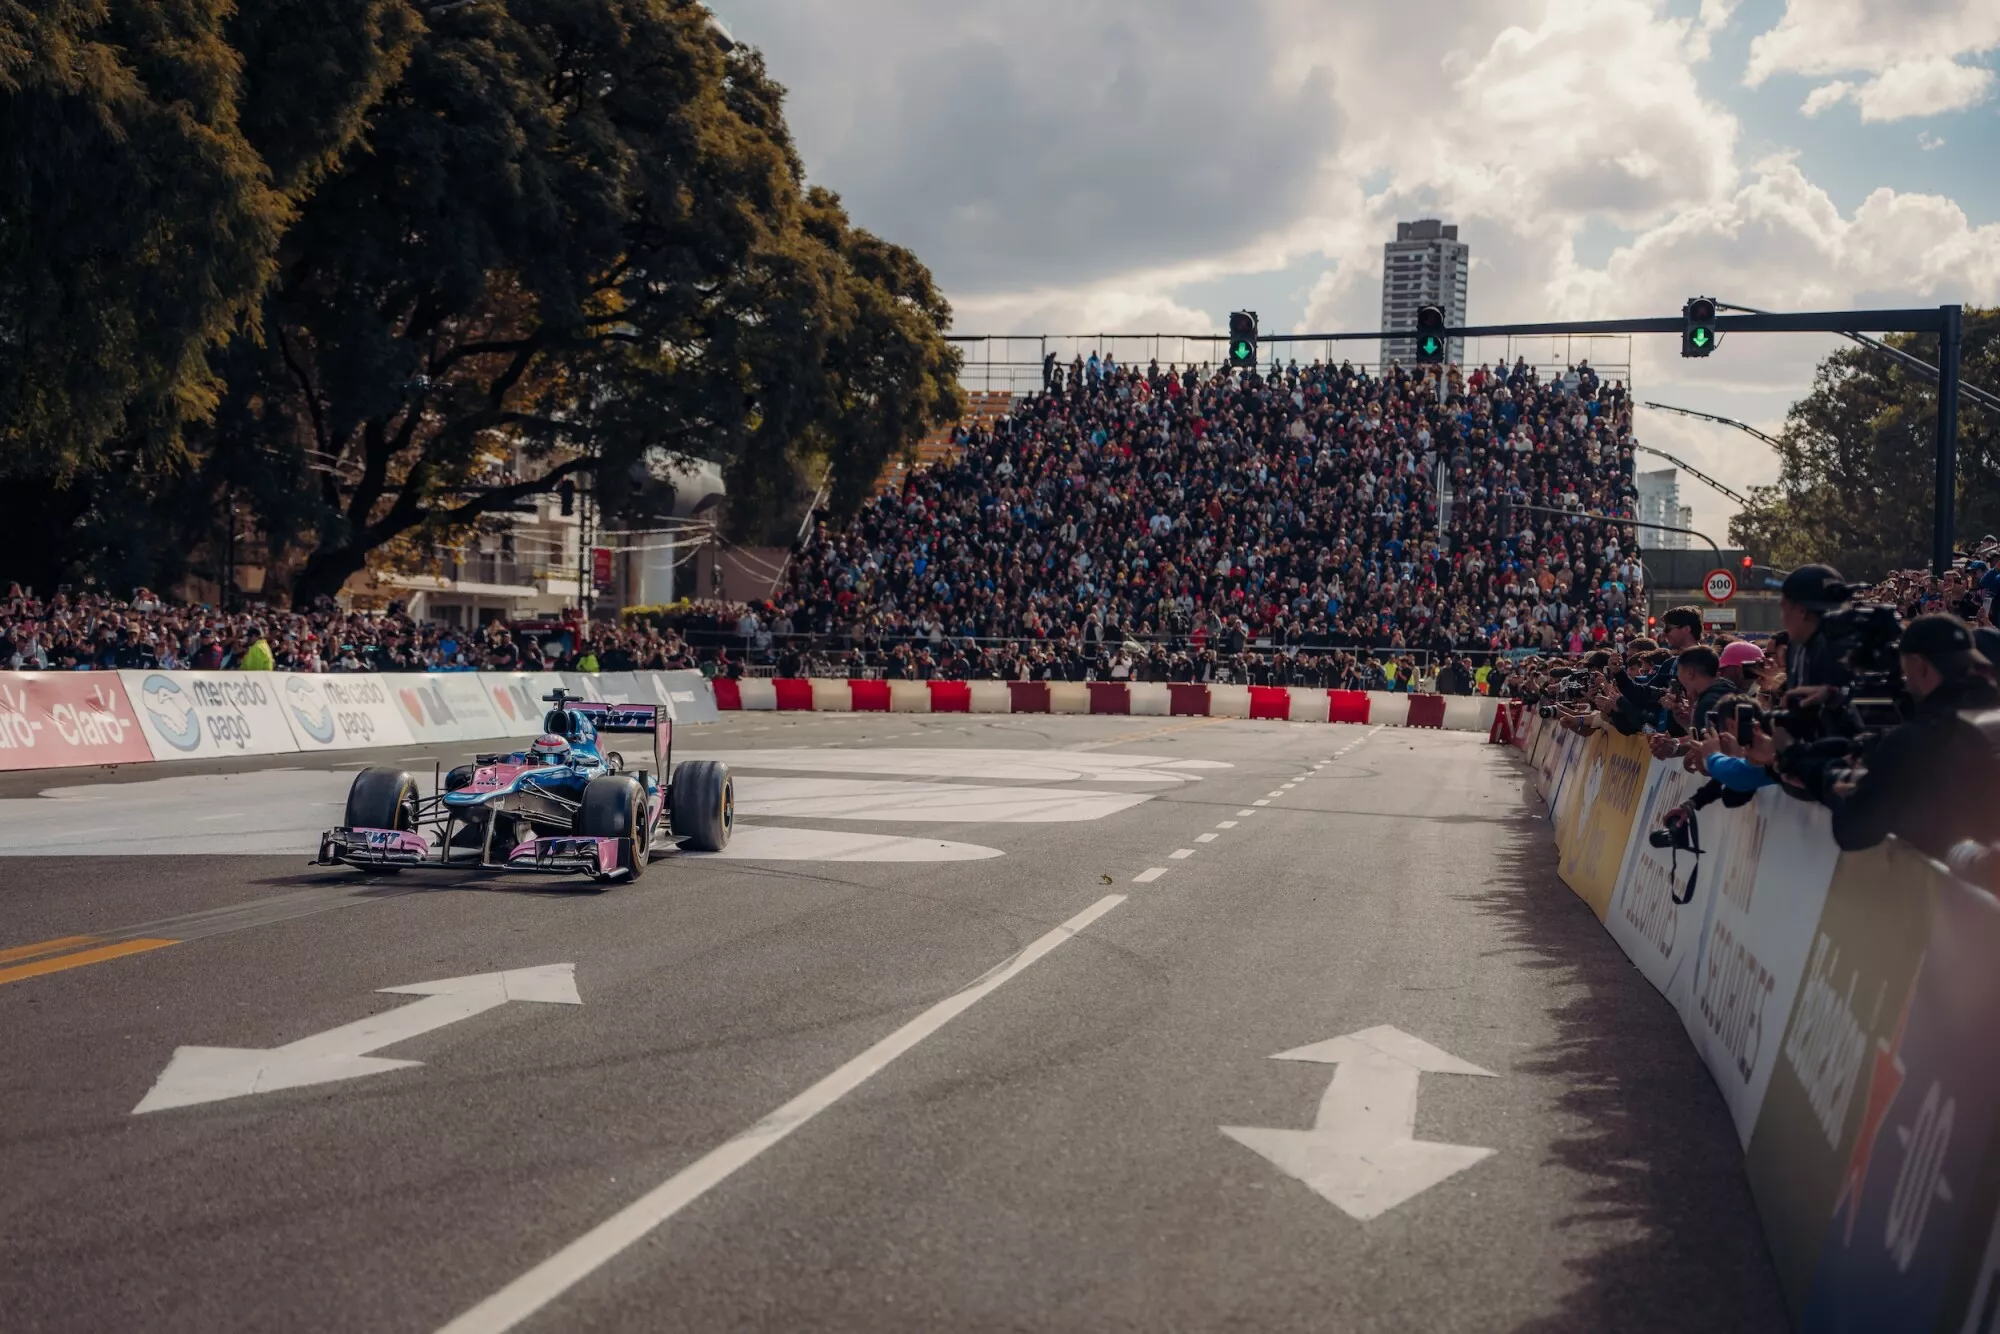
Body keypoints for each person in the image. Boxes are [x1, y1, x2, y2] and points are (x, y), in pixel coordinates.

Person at [1825, 614, 2000, 859]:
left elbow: (1853, 833)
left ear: (1920, 665)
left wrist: (1841, 791)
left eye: (1904, 670)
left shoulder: (1914, 740)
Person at [1779, 564, 1853, 692]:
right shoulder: (1795, 647)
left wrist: (1835, 696)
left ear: (1801, 611)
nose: (1782, 619)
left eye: (1783, 608)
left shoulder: (1849, 650)